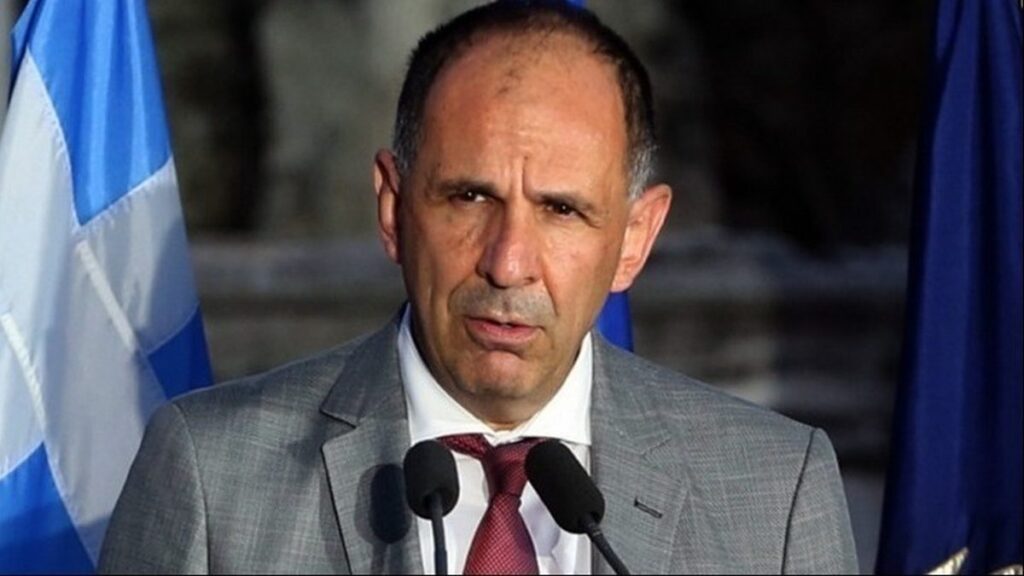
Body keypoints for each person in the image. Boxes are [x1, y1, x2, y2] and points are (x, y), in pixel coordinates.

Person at [99, 1, 858, 573]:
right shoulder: (212, 475)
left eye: (562, 210)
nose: (509, 262)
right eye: (469, 197)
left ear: (635, 239)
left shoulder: (776, 494)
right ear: (393, 207)